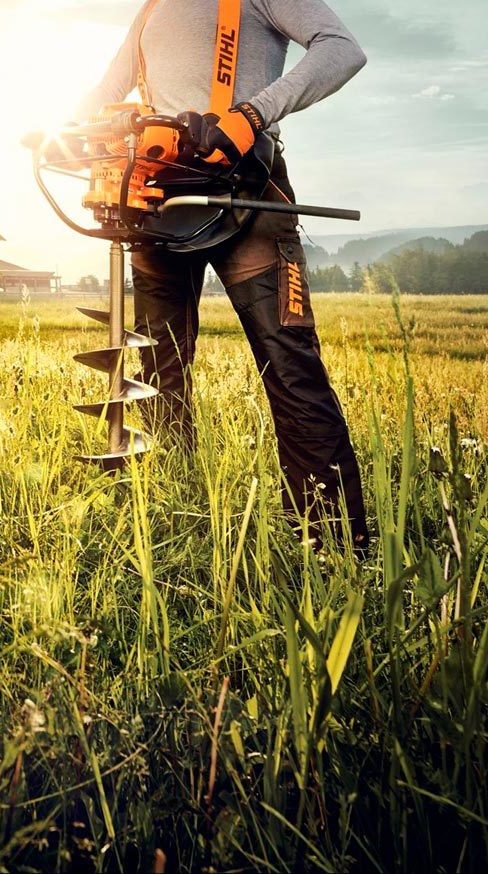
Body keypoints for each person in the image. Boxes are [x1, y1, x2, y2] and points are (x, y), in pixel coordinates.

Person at [74, 0, 369, 548]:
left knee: (289, 364)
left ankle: (330, 544)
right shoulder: (152, 8)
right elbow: (106, 91)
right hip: (156, 198)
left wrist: (250, 115)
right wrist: (69, 132)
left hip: (249, 193)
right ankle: (173, 517)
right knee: (158, 371)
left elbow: (342, 49)